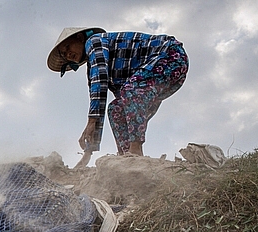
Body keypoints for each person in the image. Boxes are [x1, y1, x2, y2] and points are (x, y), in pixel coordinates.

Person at [47, 27, 189, 164]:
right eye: (64, 55)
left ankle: (135, 150)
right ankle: (127, 157)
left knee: (130, 91)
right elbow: (99, 99)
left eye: (67, 48)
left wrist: (91, 121)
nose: (68, 55)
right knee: (116, 109)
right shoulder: (95, 65)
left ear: (79, 38)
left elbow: (101, 81)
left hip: (170, 55)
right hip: (155, 80)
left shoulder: (94, 41)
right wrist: (88, 152)